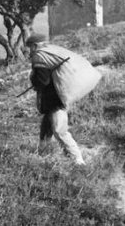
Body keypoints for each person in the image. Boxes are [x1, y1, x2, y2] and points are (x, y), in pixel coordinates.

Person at [25, 33, 85, 166]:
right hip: (56, 98)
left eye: (30, 47)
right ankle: (43, 155)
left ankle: (78, 160)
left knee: (59, 130)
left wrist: (34, 80)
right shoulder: (50, 54)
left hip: (54, 100)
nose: (30, 50)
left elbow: (42, 81)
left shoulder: (40, 56)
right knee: (46, 129)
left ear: (35, 46)